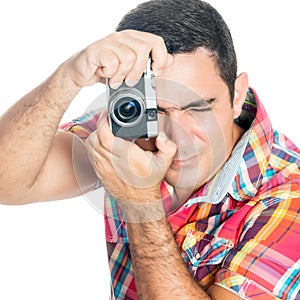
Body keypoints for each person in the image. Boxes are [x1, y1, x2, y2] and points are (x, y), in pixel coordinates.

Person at [0, 0, 299, 299]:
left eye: (198, 108)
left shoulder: (290, 193)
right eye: (156, 113)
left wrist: (140, 204)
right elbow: (6, 180)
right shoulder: (130, 130)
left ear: (236, 95)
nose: (178, 139)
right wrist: (69, 77)